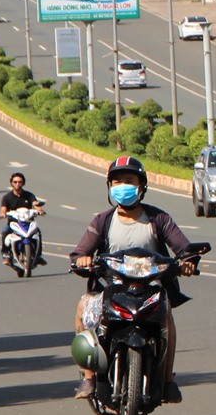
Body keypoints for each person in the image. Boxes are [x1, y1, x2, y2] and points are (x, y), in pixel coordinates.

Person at [70, 157, 200, 402]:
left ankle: (168, 381)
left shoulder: (158, 219)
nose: (123, 185)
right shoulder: (103, 220)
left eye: (129, 180)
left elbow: (183, 248)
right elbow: (80, 252)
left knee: (167, 316)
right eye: (117, 181)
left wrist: (188, 261)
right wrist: (82, 260)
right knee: (82, 307)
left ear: (142, 186)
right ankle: (88, 377)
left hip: (151, 289)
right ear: (109, 186)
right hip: (111, 289)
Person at [0, 171, 46, 266]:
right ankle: (6, 254)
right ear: (11, 183)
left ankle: (38, 256)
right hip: (14, 223)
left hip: (28, 223)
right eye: (15, 182)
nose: (17, 184)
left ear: (23, 183)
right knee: (4, 232)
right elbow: (3, 209)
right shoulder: (7, 197)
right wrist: (3, 214)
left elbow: (35, 203)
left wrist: (40, 210)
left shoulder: (29, 195)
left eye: (20, 182)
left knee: (38, 232)